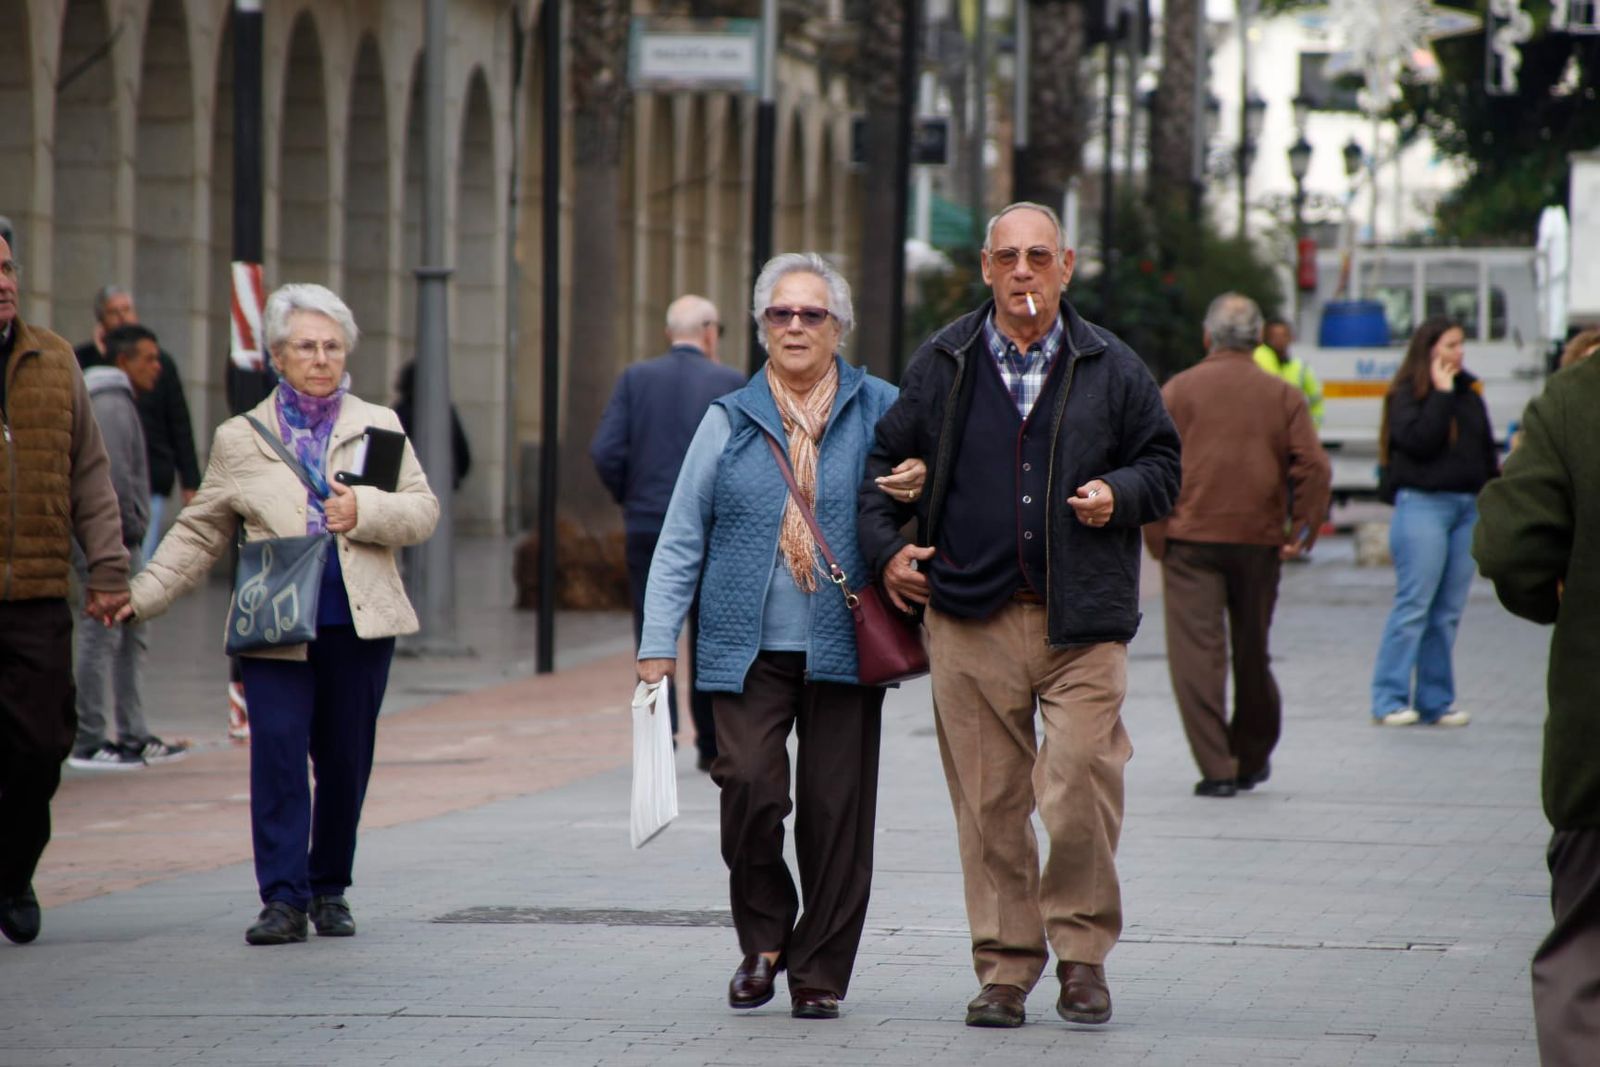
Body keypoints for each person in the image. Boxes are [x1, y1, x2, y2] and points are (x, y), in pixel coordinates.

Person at [857, 202, 1182, 1029]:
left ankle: (1082, 956)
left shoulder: (1111, 364)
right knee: (991, 803)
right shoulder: (945, 360)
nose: (1025, 272)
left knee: (1077, 785)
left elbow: (1165, 464)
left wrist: (1122, 492)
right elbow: (877, 468)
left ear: (1066, 265)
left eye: (1040, 256)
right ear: (987, 268)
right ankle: (1005, 965)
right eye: (1009, 257)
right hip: (969, 616)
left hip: (1082, 621)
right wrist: (889, 550)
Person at [637, 253, 920, 1021]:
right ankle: (764, 936)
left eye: (812, 314)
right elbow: (682, 535)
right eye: (780, 314)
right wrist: (657, 638)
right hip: (744, 647)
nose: (795, 326)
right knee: (751, 788)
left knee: (836, 815)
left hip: (847, 644)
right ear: (761, 326)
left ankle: (819, 969)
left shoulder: (883, 409)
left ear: (839, 327)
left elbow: (926, 490)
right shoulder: (728, 419)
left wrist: (915, 493)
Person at [120, 283, 439, 946]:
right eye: (306, 346)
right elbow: (200, 529)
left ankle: (330, 888)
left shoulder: (377, 423)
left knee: (345, 761)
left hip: (357, 624)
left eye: (331, 346)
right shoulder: (241, 437)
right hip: (273, 627)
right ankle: (284, 897)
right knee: (279, 755)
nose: (320, 358)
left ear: (346, 351)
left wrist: (366, 512)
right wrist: (141, 593)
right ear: (277, 356)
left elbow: (422, 510)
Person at [1143, 294, 1331, 798]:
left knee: (1195, 659)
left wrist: (1156, 533)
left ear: (1207, 337)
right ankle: (1251, 756)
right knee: (1253, 652)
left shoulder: (1178, 390)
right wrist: (1302, 530)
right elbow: (1314, 465)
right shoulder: (1283, 394)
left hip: (1190, 540)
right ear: (1258, 338)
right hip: (1259, 539)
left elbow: (1150, 461)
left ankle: (1217, 767)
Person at [0, 234, 131, 946]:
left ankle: (13, 868)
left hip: (39, 594)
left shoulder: (55, 361)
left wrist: (108, 569)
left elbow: (90, 475)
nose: (3, 282)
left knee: (41, 745)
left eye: (7, 266)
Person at [1472, 355, 1600, 1066]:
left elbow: (1509, 543)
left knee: (1584, 961)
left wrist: (1554, 600)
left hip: (1595, 749)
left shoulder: (1580, 397)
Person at [590, 295, 743, 772]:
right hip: (714, 529)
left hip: (648, 522)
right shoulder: (730, 382)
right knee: (709, 630)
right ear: (710, 332)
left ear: (667, 333)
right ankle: (711, 742)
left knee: (652, 628)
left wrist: (631, 496)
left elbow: (605, 450)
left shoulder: (636, 379)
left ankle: (662, 737)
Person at [68, 325, 189, 770]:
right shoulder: (115, 407)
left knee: (128, 634)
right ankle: (91, 738)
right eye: (149, 358)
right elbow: (110, 483)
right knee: (105, 633)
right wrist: (122, 540)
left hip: (115, 536)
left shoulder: (113, 402)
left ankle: (131, 733)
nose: (157, 367)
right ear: (123, 362)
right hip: (113, 540)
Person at [1369, 317, 1497, 728]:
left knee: (1446, 612)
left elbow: (1484, 456)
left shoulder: (1470, 393)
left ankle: (1435, 700)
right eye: (1450, 345)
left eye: (1461, 345)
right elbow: (1419, 442)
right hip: (1423, 505)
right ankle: (1388, 698)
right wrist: (1440, 396)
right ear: (1429, 350)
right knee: (1414, 606)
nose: (1458, 353)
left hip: (1465, 509)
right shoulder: (1408, 394)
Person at [73, 286, 203, 560]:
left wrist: (190, 479)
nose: (121, 317)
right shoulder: (105, 389)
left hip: (153, 474)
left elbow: (179, 421)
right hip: (121, 512)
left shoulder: (160, 363)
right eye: (113, 312)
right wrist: (132, 529)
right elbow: (116, 475)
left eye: (126, 310)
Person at [392, 359, 471, 490]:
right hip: (442, 481)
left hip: (407, 484)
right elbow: (463, 453)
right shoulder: (445, 410)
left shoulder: (400, 412)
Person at [1253, 318, 1324, 430]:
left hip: (1292, 434)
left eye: (1284, 335)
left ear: (1290, 338)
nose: (1279, 340)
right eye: (1274, 336)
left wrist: (1310, 430)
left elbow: (1316, 400)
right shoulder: (1259, 360)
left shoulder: (1300, 368)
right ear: (1266, 339)